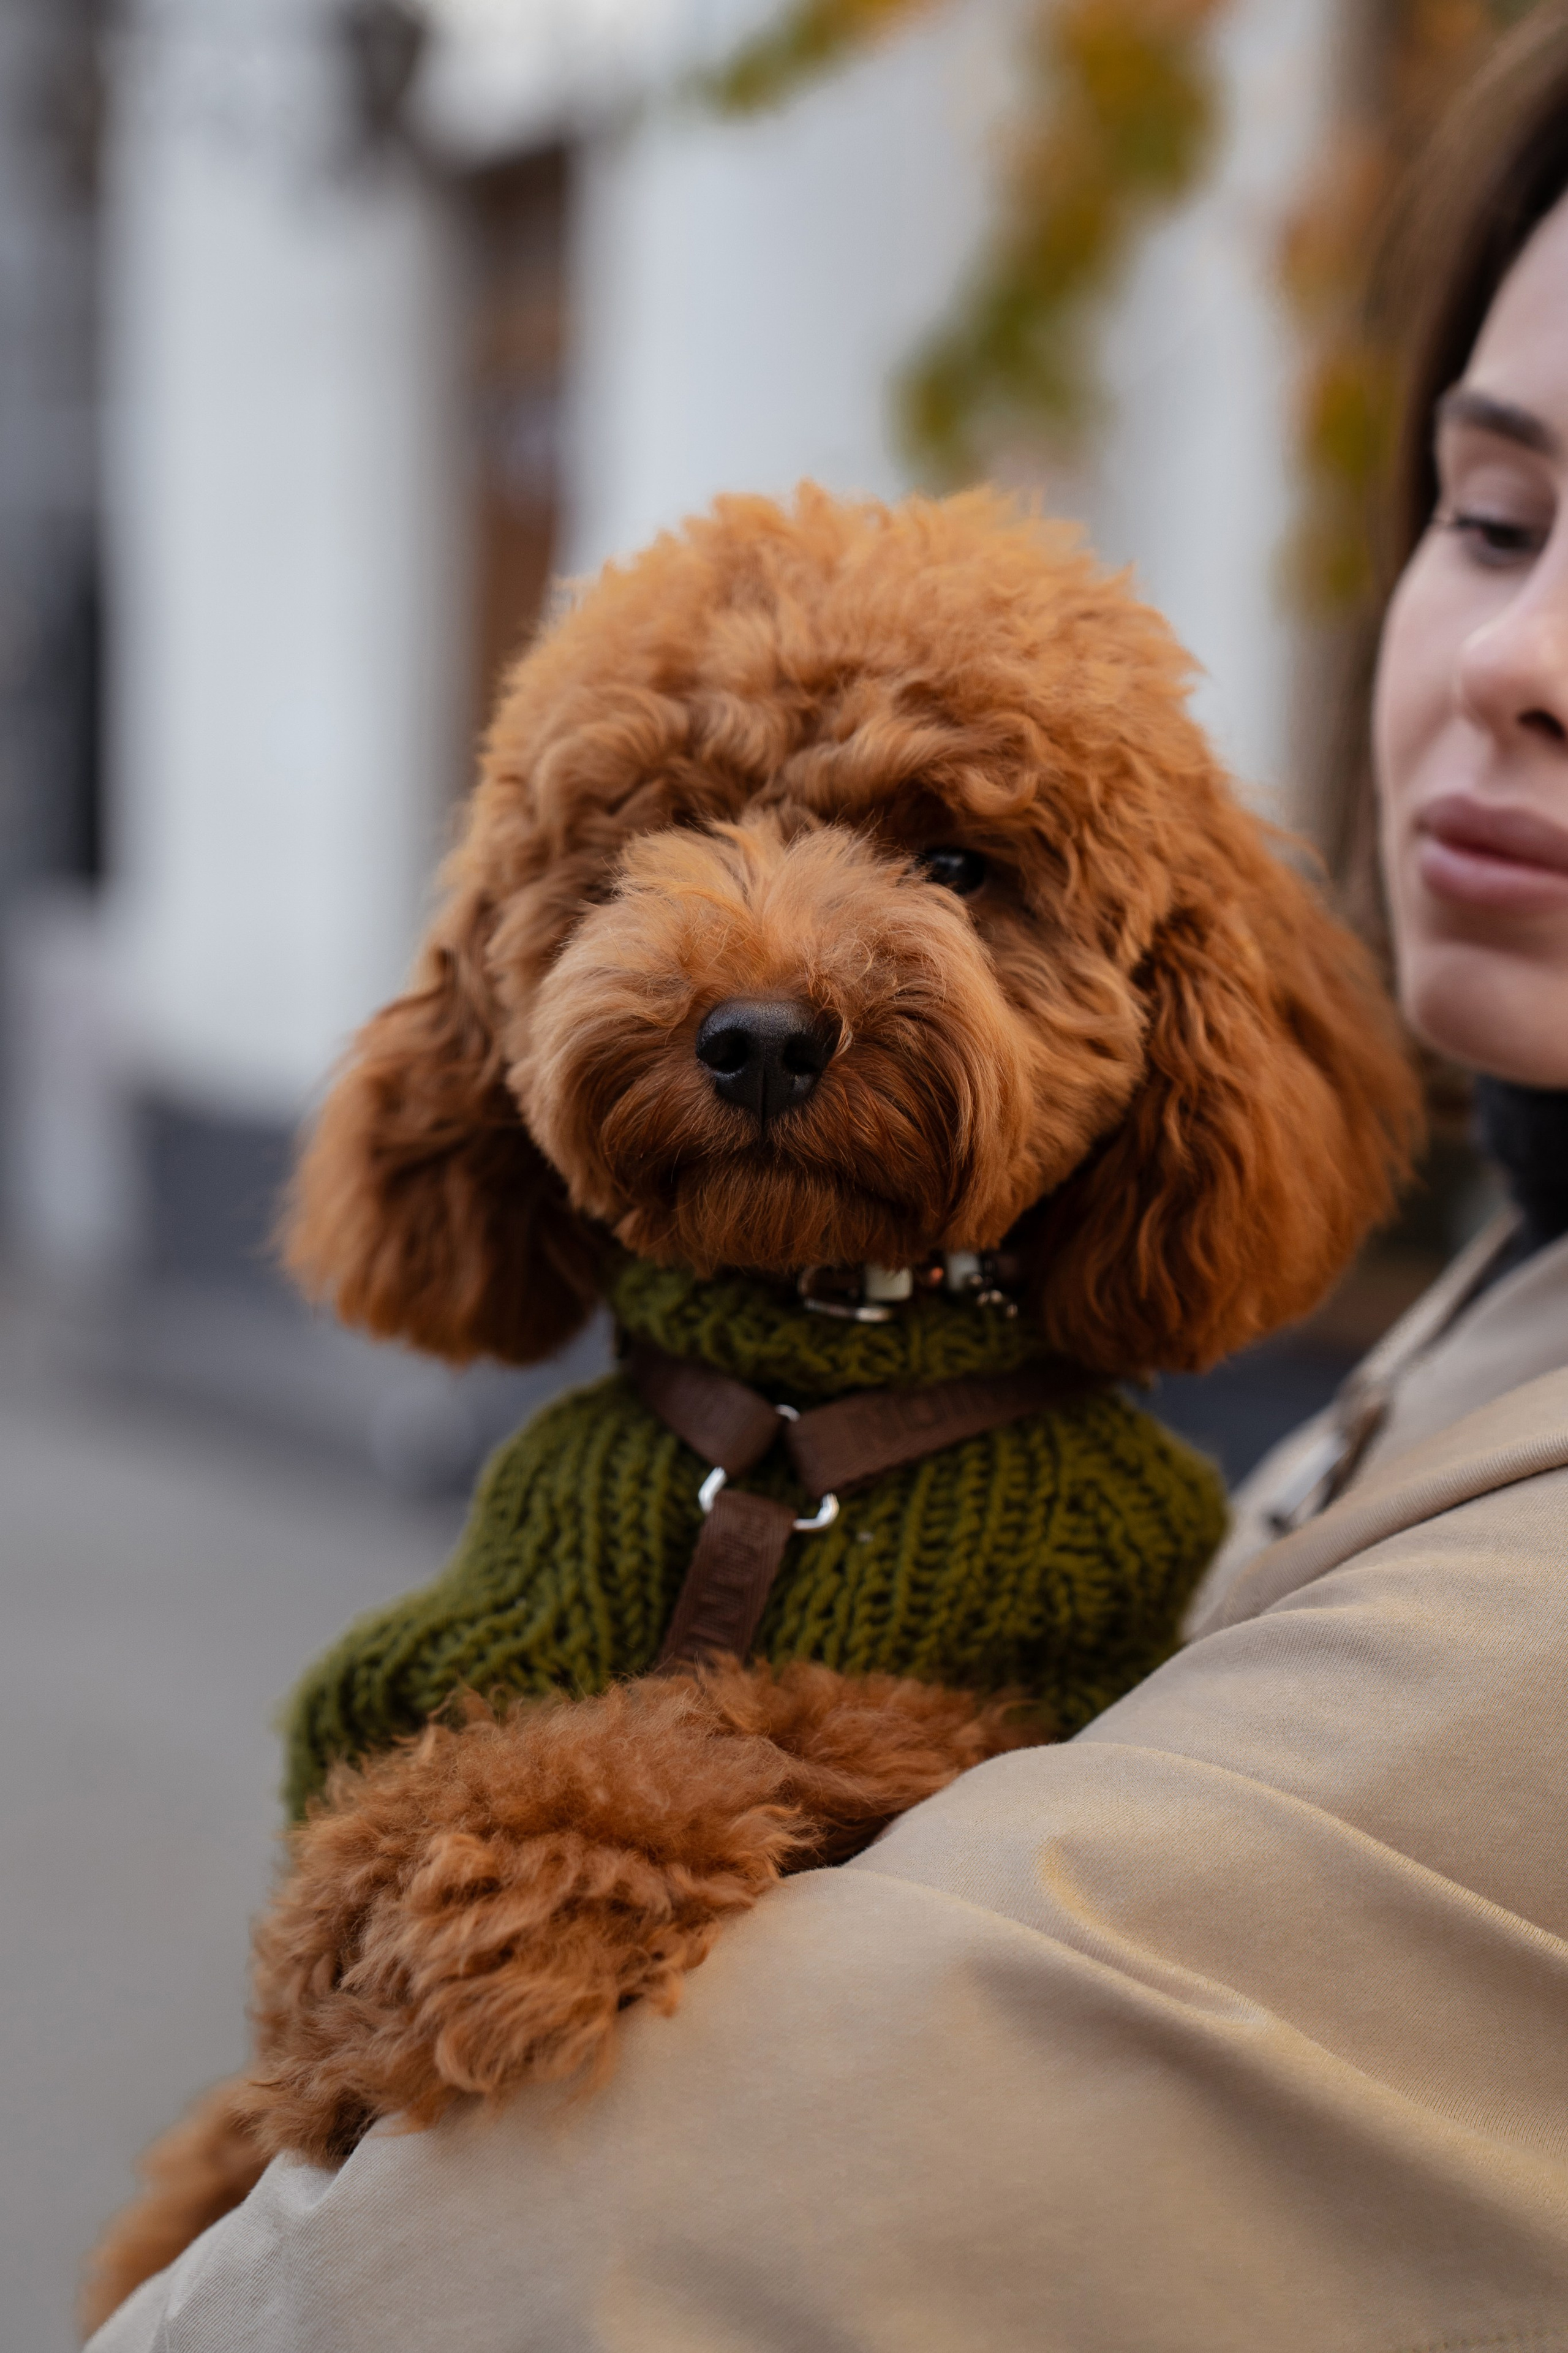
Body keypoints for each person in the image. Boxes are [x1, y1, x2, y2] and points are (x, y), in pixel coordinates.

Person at [92, 12, 1568, 2347]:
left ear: (1170, 992)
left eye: (961, 859)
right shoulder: (1503, 1290)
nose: (766, 970)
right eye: (1491, 518)